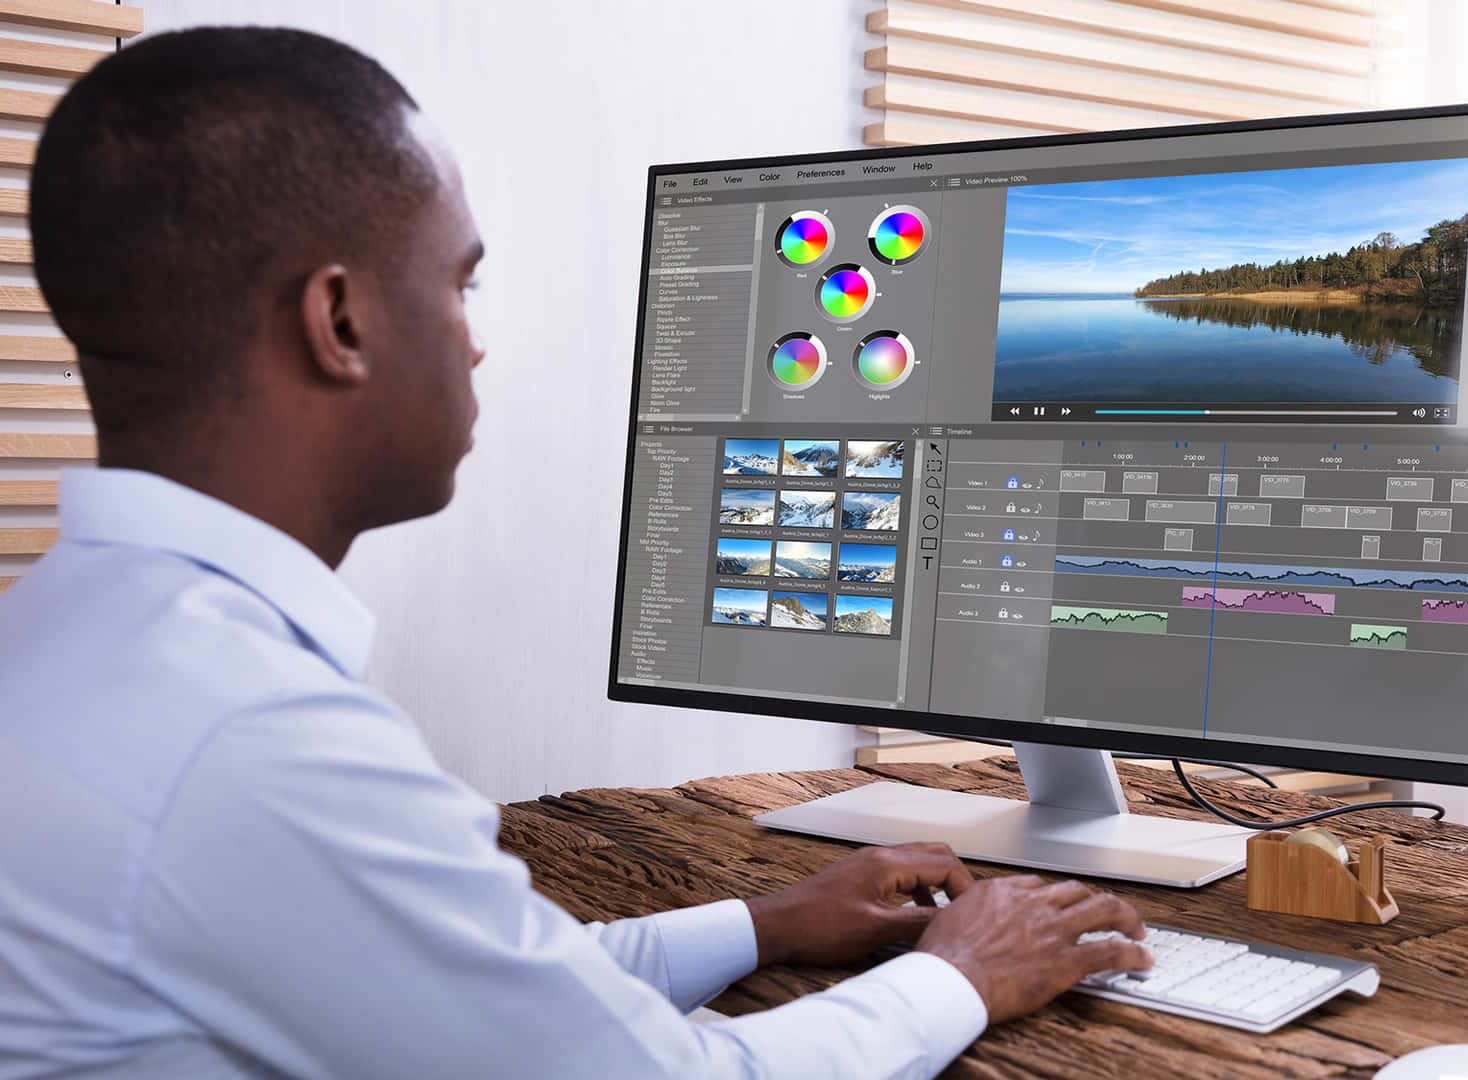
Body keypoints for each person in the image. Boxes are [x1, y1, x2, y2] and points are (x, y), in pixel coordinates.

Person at [0, 26, 1151, 1078]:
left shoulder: (72, 640)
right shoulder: (251, 739)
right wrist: (962, 973)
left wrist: (764, 921)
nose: (477, 341)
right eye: (460, 282)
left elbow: (482, 991)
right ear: (340, 322)